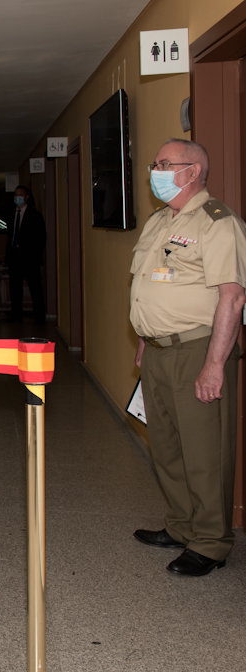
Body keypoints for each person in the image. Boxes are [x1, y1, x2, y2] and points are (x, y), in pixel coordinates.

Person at [130, 138, 246, 577]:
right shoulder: (161, 220)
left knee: (203, 450)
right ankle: (181, 525)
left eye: (164, 164)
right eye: (155, 163)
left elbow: (232, 299)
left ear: (192, 171)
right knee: (166, 446)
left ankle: (212, 541)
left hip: (198, 349)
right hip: (158, 351)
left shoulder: (218, 223)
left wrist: (215, 364)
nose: (155, 170)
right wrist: (144, 339)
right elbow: (149, 284)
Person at [5, 185, 47, 324]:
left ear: (27, 197)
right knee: (15, 288)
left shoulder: (35, 216)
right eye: (16, 194)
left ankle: (39, 317)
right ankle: (16, 315)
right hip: (14, 257)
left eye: (21, 194)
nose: (17, 197)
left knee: (35, 287)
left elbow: (41, 238)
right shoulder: (11, 214)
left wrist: (36, 255)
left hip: (30, 258)